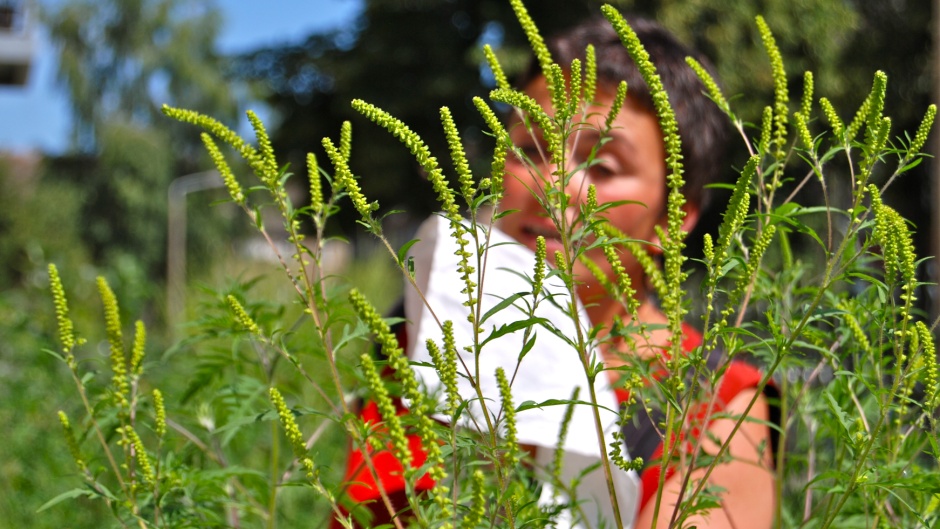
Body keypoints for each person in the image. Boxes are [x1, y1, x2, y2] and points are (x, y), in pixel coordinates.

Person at [336, 13, 777, 529]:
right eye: (529, 149)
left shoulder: (710, 405)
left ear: (675, 216)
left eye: (602, 164)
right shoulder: (424, 340)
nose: (554, 183)